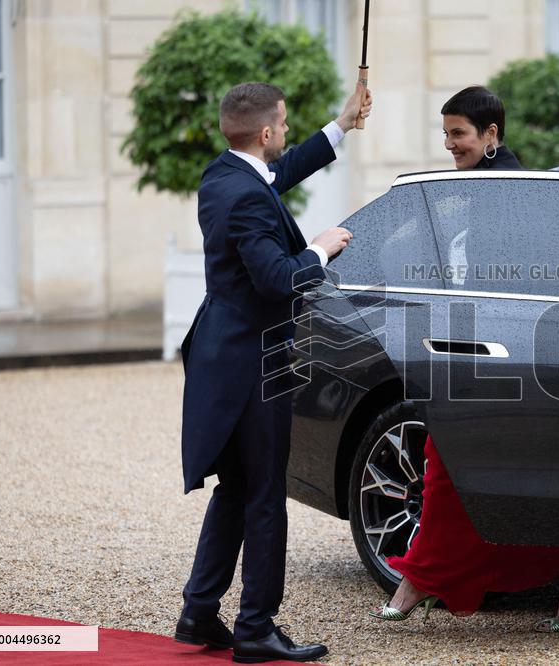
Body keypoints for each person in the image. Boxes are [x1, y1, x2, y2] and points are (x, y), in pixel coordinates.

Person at [369, 86, 559, 633]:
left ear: (491, 134)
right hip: (473, 345)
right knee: (488, 473)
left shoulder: (512, 191)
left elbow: (523, 279)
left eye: (459, 134)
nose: (449, 144)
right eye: (446, 133)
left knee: (454, 465)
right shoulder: (480, 186)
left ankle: (419, 578)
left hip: (503, 354)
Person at [174, 81, 371, 663]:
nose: (285, 132)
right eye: (283, 126)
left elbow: (272, 181)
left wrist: (342, 126)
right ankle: (257, 627)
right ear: (264, 133)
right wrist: (320, 249)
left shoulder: (222, 177)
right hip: (259, 359)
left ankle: (199, 611)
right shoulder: (247, 198)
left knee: (237, 485)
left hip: (222, 352)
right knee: (263, 492)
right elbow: (280, 279)